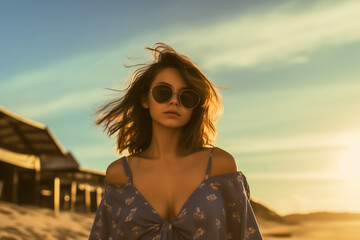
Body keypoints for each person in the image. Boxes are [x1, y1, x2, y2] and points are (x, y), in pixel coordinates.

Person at [89, 43, 263, 240]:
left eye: (187, 96)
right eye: (163, 92)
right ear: (145, 99)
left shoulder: (219, 166)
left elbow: (245, 234)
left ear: (194, 108)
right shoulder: (119, 174)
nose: (174, 101)